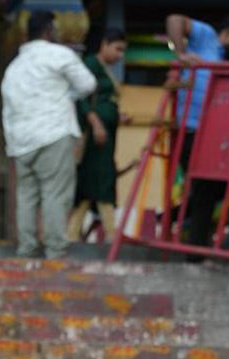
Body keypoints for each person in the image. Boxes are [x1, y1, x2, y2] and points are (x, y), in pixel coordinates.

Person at [1, 10, 97, 257]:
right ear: (49, 31)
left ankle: (27, 249)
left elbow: (8, 108)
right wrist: (67, 95)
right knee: (55, 194)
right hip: (53, 134)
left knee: (26, 197)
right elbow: (88, 84)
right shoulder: (59, 55)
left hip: (21, 142)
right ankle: (55, 251)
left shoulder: (13, 67)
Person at [165, 13, 229, 247]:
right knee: (207, 188)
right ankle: (194, 245)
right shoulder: (207, 38)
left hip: (215, 134)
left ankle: (177, 220)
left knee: (214, 188)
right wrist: (181, 53)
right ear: (228, 32)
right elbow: (174, 19)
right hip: (190, 130)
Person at [69, 27, 129, 242]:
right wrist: (96, 123)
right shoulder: (90, 65)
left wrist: (116, 116)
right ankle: (111, 235)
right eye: (117, 49)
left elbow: (104, 100)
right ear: (104, 44)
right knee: (100, 182)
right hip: (96, 138)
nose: (120, 55)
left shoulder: (104, 68)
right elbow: (82, 100)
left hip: (106, 136)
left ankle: (74, 234)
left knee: (92, 185)